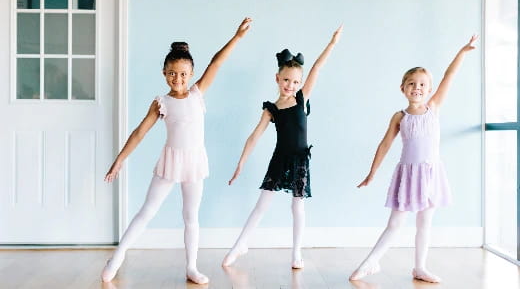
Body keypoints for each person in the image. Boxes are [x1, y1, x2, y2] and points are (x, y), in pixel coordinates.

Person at [101, 17, 252, 284]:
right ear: (164, 73)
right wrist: (119, 160)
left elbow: (216, 62)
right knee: (146, 212)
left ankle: (191, 267)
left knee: (191, 217)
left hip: (194, 163)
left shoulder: (197, 94)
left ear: (191, 74)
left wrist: (237, 37)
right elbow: (139, 133)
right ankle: (118, 256)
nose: (177, 79)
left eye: (183, 74)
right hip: (170, 162)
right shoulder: (161, 103)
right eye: (172, 73)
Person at [350, 35, 478, 283]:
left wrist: (462, 51)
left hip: (430, 173)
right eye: (411, 84)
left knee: (425, 222)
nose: (417, 88)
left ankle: (420, 267)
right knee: (396, 223)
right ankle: (370, 262)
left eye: (422, 84)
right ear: (403, 88)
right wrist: (372, 173)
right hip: (408, 175)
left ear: (428, 90)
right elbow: (385, 144)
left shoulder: (434, 108)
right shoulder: (400, 117)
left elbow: (448, 77)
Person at [222, 25, 343, 269]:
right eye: (286, 80)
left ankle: (296, 253)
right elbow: (254, 137)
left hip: (300, 160)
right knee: (261, 205)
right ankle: (239, 245)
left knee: (297, 206)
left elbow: (317, 67)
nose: (290, 85)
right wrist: (240, 164)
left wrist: (332, 43)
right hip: (279, 159)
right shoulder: (272, 109)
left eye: (295, 81)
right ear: (277, 79)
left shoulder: (301, 98)